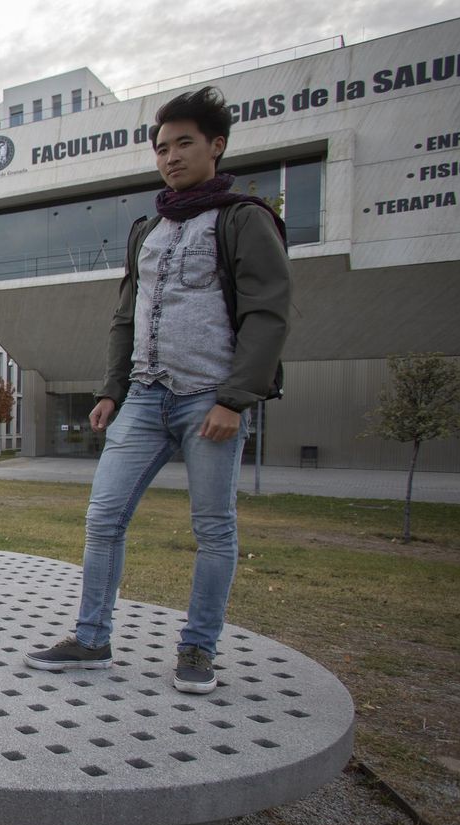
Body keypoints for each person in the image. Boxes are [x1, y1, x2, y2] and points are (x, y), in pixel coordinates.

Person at [25, 86, 291, 694]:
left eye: (184, 144)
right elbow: (127, 316)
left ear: (216, 146)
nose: (170, 156)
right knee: (104, 518)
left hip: (209, 397)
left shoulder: (243, 219)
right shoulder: (147, 229)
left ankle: (197, 651)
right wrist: (111, 389)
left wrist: (234, 398)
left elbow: (268, 314)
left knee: (214, 527)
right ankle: (91, 639)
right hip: (143, 396)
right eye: (161, 147)